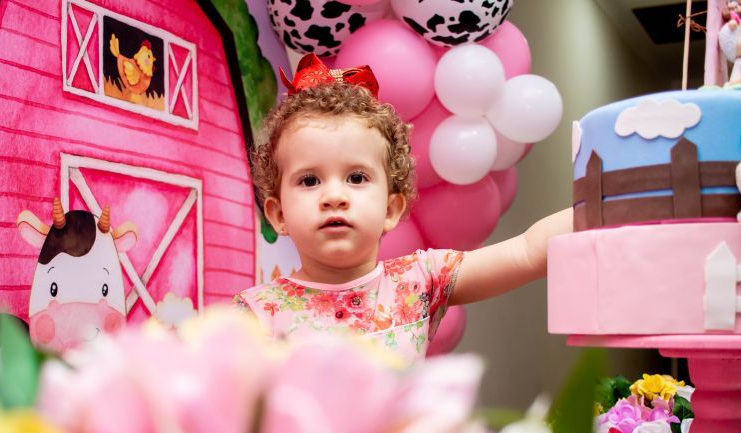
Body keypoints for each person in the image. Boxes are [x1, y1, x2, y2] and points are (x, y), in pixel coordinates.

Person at [234, 53, 572, 363]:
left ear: (391, 208)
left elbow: (527, 251)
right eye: (309, 181)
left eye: (356, 177)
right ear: (278, 214)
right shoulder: (254, 315)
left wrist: (610, 199)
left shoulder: (419, 281)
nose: (333, 196)